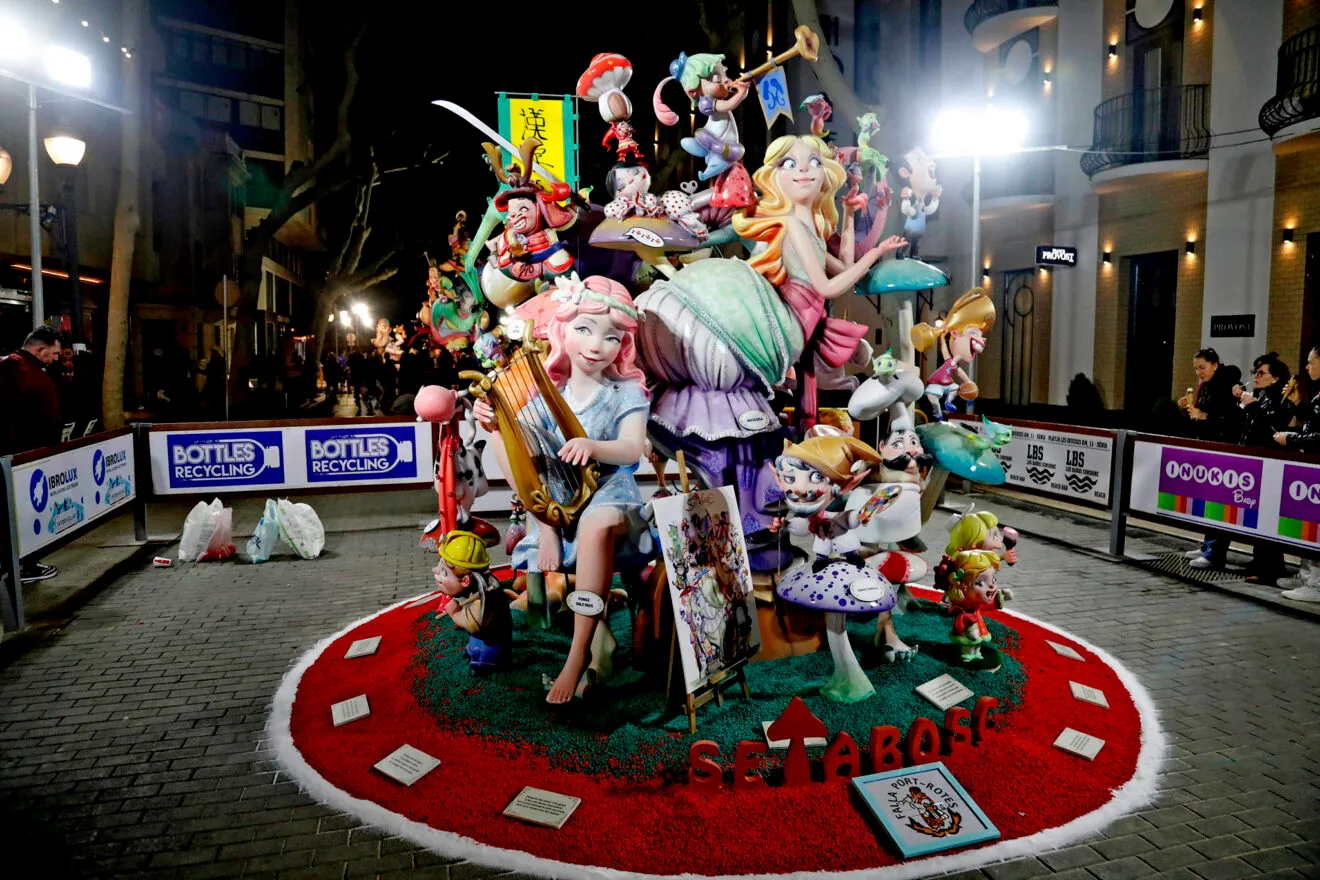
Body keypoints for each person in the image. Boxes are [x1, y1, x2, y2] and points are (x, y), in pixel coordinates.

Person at [474, 274, 650, 704]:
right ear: (561, 331)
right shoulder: (550, 393)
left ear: (622, 345)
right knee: (504, 434)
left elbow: (632, 448)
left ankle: (576, 661)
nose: (595, 346)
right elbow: (522, 443)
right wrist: (491, 419)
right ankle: (545, 524)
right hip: (558, 498)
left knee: (594, 524)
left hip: (612, 495)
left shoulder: (625, 391)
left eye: (611, 337)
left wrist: (592, 445)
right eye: (584, 330)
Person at [0, 326, 63, 583]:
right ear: (40, 350)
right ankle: (21, 567)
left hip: (22, 456)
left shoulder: (16, 369)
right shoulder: (23, 373)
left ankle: (20, 565)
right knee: (18, 513)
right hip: (22, 458)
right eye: (54, 353)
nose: (57, 358)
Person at [1232, 353, 1295, 584]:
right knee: (1255, 515)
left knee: (1267, 515)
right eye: (1254, 373)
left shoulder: (1281, 398)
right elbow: (1246, 426)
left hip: (1271, 461)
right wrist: (1241, 403)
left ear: (1275, 378)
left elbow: (1272, 429)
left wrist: (1253, 407)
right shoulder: (1260, 396)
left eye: (1261, 373)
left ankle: (1270, 566)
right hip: (1254, 459)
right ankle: (1258, 561)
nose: (1256, 377)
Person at [1177, 348, 1242, 570]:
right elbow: (1201, 417)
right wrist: (1190, 411)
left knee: (1219, 501)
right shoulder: (1205, 386)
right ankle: (1207, 545)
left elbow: (1232, 420)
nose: (1199, 373)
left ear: (1215, 365)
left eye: (1202, 367)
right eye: (1196, 369)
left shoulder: (1227, 387)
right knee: (1207, 500)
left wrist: (1204, 416)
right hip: (1207, 446)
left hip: (1222, 449)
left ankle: (1215, 552)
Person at [1274, 345, 1320, 601]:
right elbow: (1313, 422)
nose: (1306, 367)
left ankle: (1316, 584)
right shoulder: (1317, 393)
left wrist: (1290, 439)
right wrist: (1297, 404)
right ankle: (1306, 576)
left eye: (1311, 361)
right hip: (1311, 468)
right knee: (1309, 524)